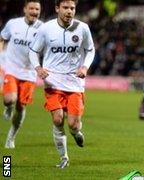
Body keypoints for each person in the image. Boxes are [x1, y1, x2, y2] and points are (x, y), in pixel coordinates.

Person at [29, 0, 95, 168]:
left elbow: (90, 50)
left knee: (73, 124)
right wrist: (38, 68)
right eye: (65, 8)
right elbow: (34, 51)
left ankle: (76, 132)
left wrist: (85, 67)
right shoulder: (46, 28)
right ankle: (64, 158)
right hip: (52, 81)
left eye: (72, 8)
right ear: (57, 8)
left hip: (75, 82)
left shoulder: (82, 28)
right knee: (58, 119)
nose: (69, 11)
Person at [0, 0, 42, 149]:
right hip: (12, 69)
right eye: (31, 8)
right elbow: (2, 38)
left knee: (21, 107)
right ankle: (8, 107)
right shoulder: (13, 24)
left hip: (29, 73)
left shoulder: (43, 29)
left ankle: (11, 137)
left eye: (37, 9)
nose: (34, 11)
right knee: (9, 99)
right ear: (25, 9)